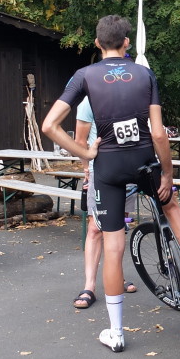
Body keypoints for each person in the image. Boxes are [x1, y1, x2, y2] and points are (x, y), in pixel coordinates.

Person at [41, 15, 180, 354]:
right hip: (144, 159)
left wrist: (85, 153)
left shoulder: (84, 75)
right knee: (171, 206)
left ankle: (116, 332)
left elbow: (49, 126)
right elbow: (158, 133)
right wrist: (167, 173)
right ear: (126, 43)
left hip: (109, 167)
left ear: (97, 43)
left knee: (114, 247)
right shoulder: (145, 74)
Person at [73, 95, 136, 309]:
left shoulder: (129, 95)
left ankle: (117, 276)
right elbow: (80, 141)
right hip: (99, 172)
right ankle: (89, 286)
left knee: (119, 227)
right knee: (95, 228)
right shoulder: (88, 103)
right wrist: (86, 169)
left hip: (128, 170)